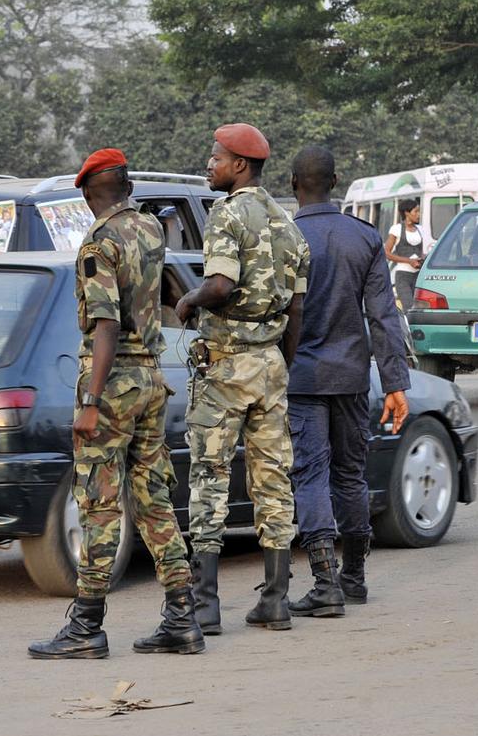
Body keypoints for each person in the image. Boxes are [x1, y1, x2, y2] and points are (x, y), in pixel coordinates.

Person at [29, 148, 204, 660]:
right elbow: (171, 294)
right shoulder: (150, 230)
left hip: (113, 384)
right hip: (151, 378)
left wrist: (91, 400)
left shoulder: (98, 243)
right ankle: (181, 617)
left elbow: (105, 323)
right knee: (154, 502)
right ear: (126, 187)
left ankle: (87, 625)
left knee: (100, 503)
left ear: (88, 193)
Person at [175, 123, 310, 634]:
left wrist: (188, 300)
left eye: (215, 158)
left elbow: (221, 283)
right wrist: (283, 364)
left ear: (239, 166)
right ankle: (276, 600)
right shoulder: (288, 222)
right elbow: (297, 308)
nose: (208, 165)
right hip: (271, 365)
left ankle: (205, 606)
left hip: (227, 363)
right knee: (273, 479)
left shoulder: (227, 214)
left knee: (209, 477)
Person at [286, 147, 411, 615]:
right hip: (353, 376)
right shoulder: (365, 238)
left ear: (294, 181)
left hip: (301, 378)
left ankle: (324, 585)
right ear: (335, 182)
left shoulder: (287, 238)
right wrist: (395, 383)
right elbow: (383, 316)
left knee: (311, 474)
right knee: (350, 475)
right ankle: (353, 576)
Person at [385, 199, 428, 311]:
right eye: (416, 211)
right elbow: (387, 253)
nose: (418, 214)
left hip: (418, 275)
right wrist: (409, 261)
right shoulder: (397, 229)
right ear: (407, 213)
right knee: (408, 307)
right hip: (403, 275)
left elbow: (421, 251)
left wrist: (423, 258)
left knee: (419, 308)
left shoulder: (420, 229)